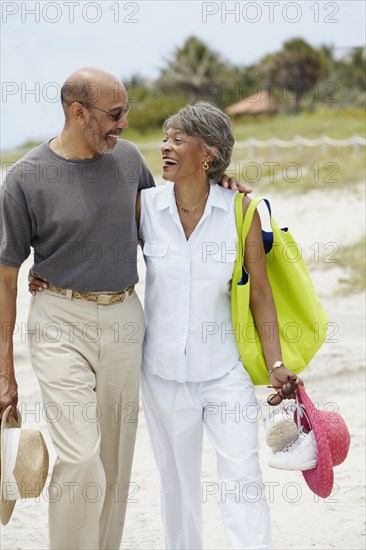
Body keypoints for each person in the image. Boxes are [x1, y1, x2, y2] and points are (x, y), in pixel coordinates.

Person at [0, 69, 249, 549]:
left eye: (125, 113)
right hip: (58, 320)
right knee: (80, 457)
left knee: (114, 464)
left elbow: (166, 217)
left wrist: (220, 185)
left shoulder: (129, 159)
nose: (125, 124)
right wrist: (4, 370)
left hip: (123, 318)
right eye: (115, 115)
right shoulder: (26, 177)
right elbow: (6, 277)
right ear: (78, 113)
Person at [136, 102, 300, 549]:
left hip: (224, 373)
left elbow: (261, 295)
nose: (165, 147)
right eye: (165, 138)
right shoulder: (145, 208)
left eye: (177, 140)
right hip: (161, 374)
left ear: (208, 153)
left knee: (242, 478)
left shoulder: (240, 211)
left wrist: (276, 363)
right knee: (177, 486)